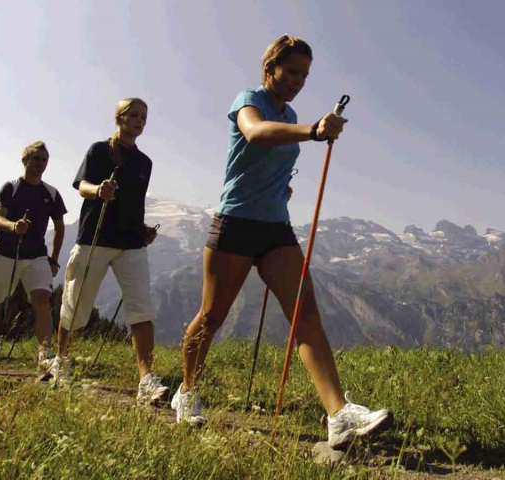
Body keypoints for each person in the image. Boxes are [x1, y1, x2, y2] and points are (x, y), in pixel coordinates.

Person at [173, 35, 393, 448]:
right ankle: (186, 393)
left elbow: (271, 156)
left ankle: (338, 414)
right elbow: (255, 134)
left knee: (304, 312)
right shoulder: (249, 98)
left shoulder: (288, 112)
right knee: (212, 315)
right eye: (291, 71)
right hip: (235, 222)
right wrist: (312, 130)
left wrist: (280, 189)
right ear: (270, 67)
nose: (297, 81)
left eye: (305, 75)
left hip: (275, 227)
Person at [48, 98, 168, 405]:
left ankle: (146, 380)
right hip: (95, 237)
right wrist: (98, 190)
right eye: (134, 115)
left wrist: (143, 231)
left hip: (131, 243)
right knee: (76, 303)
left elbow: (134, 204)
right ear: (119, 117)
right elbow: (81, 185)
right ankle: (61, 360)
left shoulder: (146, 163)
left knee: (142, 308)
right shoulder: (99, 150)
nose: (140, 120)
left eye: (144, 116)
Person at [0, 141, 66, 374]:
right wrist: (13, 226)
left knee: (42, 302)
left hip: (37, 256)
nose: (40, 164)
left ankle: (45, 356)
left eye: (44, 160)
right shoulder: (10, 188)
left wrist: (53, 259)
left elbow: (59, 226)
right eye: (35, 159)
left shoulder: (51, 193)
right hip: (6, 253)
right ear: (25, 161)